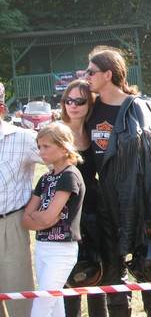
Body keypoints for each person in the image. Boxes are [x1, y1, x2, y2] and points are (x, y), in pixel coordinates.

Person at [85, 46, 151, 317]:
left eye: (91, 72)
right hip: (106, 202)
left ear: (107, 74)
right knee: (112, 275)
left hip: (138, 201)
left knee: (148, 265)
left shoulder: (138, 108)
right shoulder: (91, 110)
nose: (86, 77)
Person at [22, 123, 86, 317]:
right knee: (54, 308)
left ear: (64, 147)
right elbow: (26, 220)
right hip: (42, 247)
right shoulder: (45, 178)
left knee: (41, 307)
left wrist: (40, 216)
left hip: (61, 250)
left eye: (46, 146)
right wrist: (41, 218)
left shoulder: (69, 176)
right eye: (39, 146)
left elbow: (49, 216)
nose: (41, 151)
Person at [60, 81, 108, 317]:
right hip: (67, 209)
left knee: (98, 272)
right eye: (68, 100)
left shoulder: (94, 131)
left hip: (94, 207)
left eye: (79, 101)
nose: (73, 105)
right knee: (72, 276)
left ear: (89, 104)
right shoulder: (59, 133)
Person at [0, 81, 42, 317]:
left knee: (20, 302)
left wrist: (41, 204)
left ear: (1, 110)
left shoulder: (24, 138)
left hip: (11, 225)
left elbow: (64, 164)